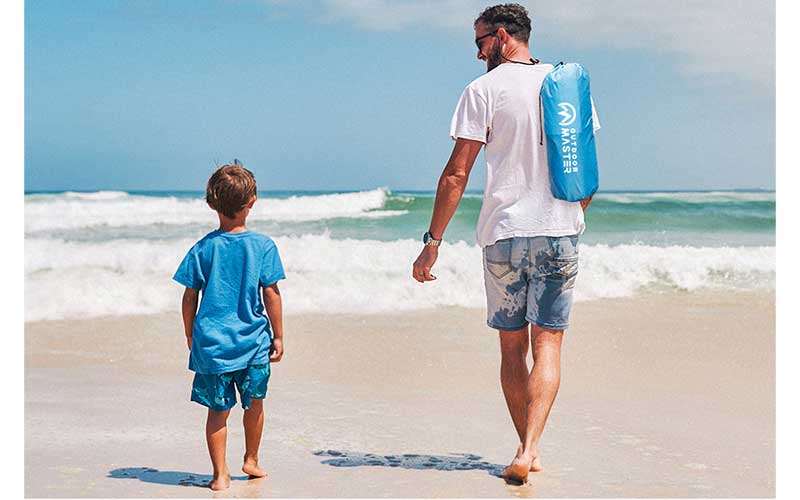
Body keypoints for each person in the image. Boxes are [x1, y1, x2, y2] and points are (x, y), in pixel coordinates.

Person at [411, 3, 600, 485]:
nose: (477, 54)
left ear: (500, 35)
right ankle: (530, 447)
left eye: (479, 43)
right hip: (558, 232)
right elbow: (587, 169)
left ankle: (525, 448)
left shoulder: (483, 91)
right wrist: (572, 218)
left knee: (512, 349)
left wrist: (433, 241)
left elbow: (457, 172)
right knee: (550, 346)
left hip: (503, 235)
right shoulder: (569, 86)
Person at [173, 163, 286, 490]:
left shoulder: (203, 248)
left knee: (217, 413)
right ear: (252, 201)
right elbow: (271, 293)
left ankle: (220, 474)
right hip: (252, 345)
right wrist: (278, 335)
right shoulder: (263, 246)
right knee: (254, 404)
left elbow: (189, 296)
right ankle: (251, 459)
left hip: (212, 347)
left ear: (211, 203)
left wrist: (190, 331)